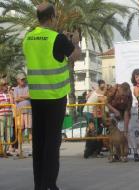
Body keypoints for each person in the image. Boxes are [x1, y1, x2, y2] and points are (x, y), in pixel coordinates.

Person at [22, 2, 81, 190]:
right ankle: (49, 184)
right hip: (55, 97)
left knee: (39, 141)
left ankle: (39, 184)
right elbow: (75, 56)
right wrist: (75, 41)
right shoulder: (56, 38)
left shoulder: (28, 38)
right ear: (52, 18)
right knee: (52, 143)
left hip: (37, 97)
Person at [14, 73, 32, 142]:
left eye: (24, 79)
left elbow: (30, 96)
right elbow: (16, 99)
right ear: (18, 80)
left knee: (30, 129)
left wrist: (21, 97)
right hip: (20, 112)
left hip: (28, 111)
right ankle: (20, 149)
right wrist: (25, 97)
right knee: (20, 129)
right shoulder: (15, 89)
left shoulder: (28, 87)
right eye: (22, 79)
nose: (23, 80)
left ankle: (33, 149)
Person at [0, 78, 14, 156]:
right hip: (1, 115)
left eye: (6, 84)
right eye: (4, 84)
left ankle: (6, 150)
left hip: (9, 114)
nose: (6, 86)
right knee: (1, 133)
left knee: (9, 133)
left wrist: (10, 93)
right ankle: (2, 150)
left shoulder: (8, 94)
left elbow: (12, 103)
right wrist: (2, 105)